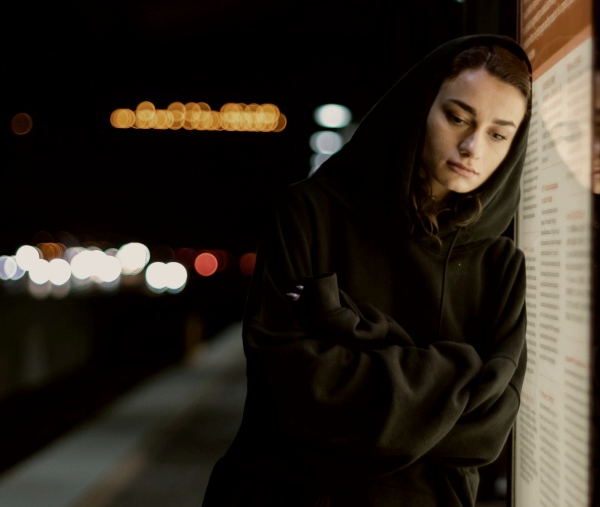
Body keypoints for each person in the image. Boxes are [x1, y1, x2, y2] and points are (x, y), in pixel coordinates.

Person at [202, 34, 533, 507]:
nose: (471, 146)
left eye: (499, 134)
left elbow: (486, 430)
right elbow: (290, 389)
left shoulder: (499, 264)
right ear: (420, 108)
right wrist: (456, 377)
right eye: (457, 117)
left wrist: (356, 335)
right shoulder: (311, 212)